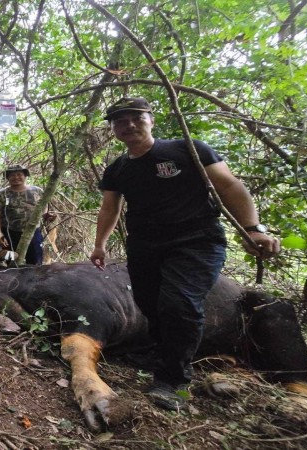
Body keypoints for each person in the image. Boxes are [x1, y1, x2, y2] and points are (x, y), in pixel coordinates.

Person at [88, 97, 281, 411]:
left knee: (179, 302)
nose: (129, 125)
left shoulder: (187, 149)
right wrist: (100, 244)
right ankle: (163, 352)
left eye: (136, 117)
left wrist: (252, 227)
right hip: (145, 245)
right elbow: (111, 206)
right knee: (150, 303)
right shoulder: (118, 169)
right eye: (120, 121)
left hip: (196, 240)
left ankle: (173, 380)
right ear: (112, 129)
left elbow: (229, 185)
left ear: (151, 119)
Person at [0, 165, 51, 265]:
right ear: (7, 177)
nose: (16, 177)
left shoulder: (37, 191)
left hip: (33, 233)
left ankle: (33, 280)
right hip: (10, 234)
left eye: (19, 174)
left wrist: (46, 216)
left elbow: (44, 208)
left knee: (35, 262)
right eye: (12, 175)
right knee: (11, 262)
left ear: (25, 176)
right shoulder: (0, 194)